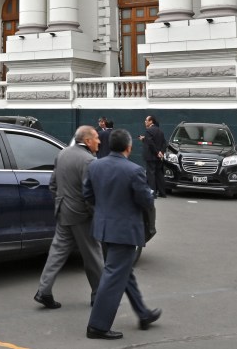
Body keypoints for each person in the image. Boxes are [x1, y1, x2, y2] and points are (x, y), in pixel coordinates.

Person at [84, 129, 160, 340]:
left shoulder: (95, 165)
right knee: (113, 275)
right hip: (124, 231)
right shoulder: (134, 170)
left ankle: (143, 313)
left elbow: (87, 195)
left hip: (103, 228)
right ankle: (97, 326)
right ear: (129, 147)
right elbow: (146, 201)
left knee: (122, 272)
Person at [34, 126, 105, 310]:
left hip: (64, 211)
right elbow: (90, 195)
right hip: (82, 215)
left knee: (56, 253)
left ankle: (44, 291)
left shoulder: (63, 154)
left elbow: (52, 185)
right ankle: (99, 295)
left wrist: (61, 203)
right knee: (94, 256)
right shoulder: (89, 161)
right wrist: (94, 214)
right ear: (87, 140)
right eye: (96, 138)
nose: (99, 141)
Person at [139, 115, 167, 197]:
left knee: (150, 174)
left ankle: (152, 193)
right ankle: (162, 193)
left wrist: (157, 152)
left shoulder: (148, 131)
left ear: (151, 121)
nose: (145, 122)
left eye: (146, 120)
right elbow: (164, 143)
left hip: (151, 156)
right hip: (158, 157)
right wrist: (161, 152)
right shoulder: (160, 131)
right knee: (159, 174)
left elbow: (150, 143)